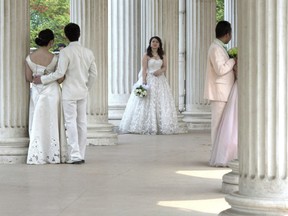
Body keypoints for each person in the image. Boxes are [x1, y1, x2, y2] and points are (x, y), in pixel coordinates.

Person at [33, 23, 97, 164]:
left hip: (69, 92)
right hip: (82, 91)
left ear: (66, 36)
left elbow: (60, 73)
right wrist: (87, 88)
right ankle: (81, 154)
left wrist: (42, 79)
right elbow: (94, 74)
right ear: (79, 34)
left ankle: (75, 155)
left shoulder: (65, 52)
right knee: (82, 123)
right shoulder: (88, 52)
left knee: (71, 122)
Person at [119, 36, 178, 135]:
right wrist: (144, 81)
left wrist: (160, 71)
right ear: (150, 43)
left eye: (157, 42)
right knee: (146, 101)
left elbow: (165, 67)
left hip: (160, 80)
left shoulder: (162, 56)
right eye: (153, 41)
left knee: (160, 101)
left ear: (159, 45)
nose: (155, 43)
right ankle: (144, 125)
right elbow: (144, 69)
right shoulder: (146, 55)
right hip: (149, 78)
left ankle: (160, 126)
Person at [25, 29, 67, 164]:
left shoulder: (29, 58)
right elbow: (60, 79)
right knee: (53, 122)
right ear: (51, 42)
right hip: (52, 92)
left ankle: (38, 153)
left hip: (37, 92)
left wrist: (38, 78)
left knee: (38, 122)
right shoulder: (54, 58)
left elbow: (28, 78)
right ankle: (54, 153)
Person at [203, 21, 237, 167]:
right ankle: (216, 156)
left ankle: (221, 154)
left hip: (223, 91)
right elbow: (220, 69)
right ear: (227, 33)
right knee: (217, 125)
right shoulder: (216, 48)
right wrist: (233, 61)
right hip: (219, 92)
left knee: (222, 126)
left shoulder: (219, 47)